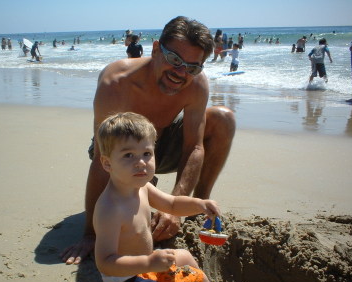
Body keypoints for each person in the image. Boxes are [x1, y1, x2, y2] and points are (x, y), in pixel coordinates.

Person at [61, 16, 236, 265]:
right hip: (122, 150)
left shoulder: (196, 83)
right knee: (124, 172)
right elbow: (102, 159)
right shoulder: (117, 82)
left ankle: (197, 210)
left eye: (192, 67)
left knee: (223, 118)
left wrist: (173, 210)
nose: (180, 73)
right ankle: (137, 192)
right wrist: (90, 234)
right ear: (155, 49)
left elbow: (194, 147)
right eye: (174, 59)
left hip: (163, 145)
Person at [94, 112, 259, 282]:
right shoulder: (111, 208)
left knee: (184, 257)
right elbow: (105, 262)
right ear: (107, 163)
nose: (141, 163)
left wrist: (200, 204)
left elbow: (171, 204)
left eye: (146, 153)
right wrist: (147, 263)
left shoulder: (141, 187)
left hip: (144, 269)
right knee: (195, 278)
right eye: (128, 155)